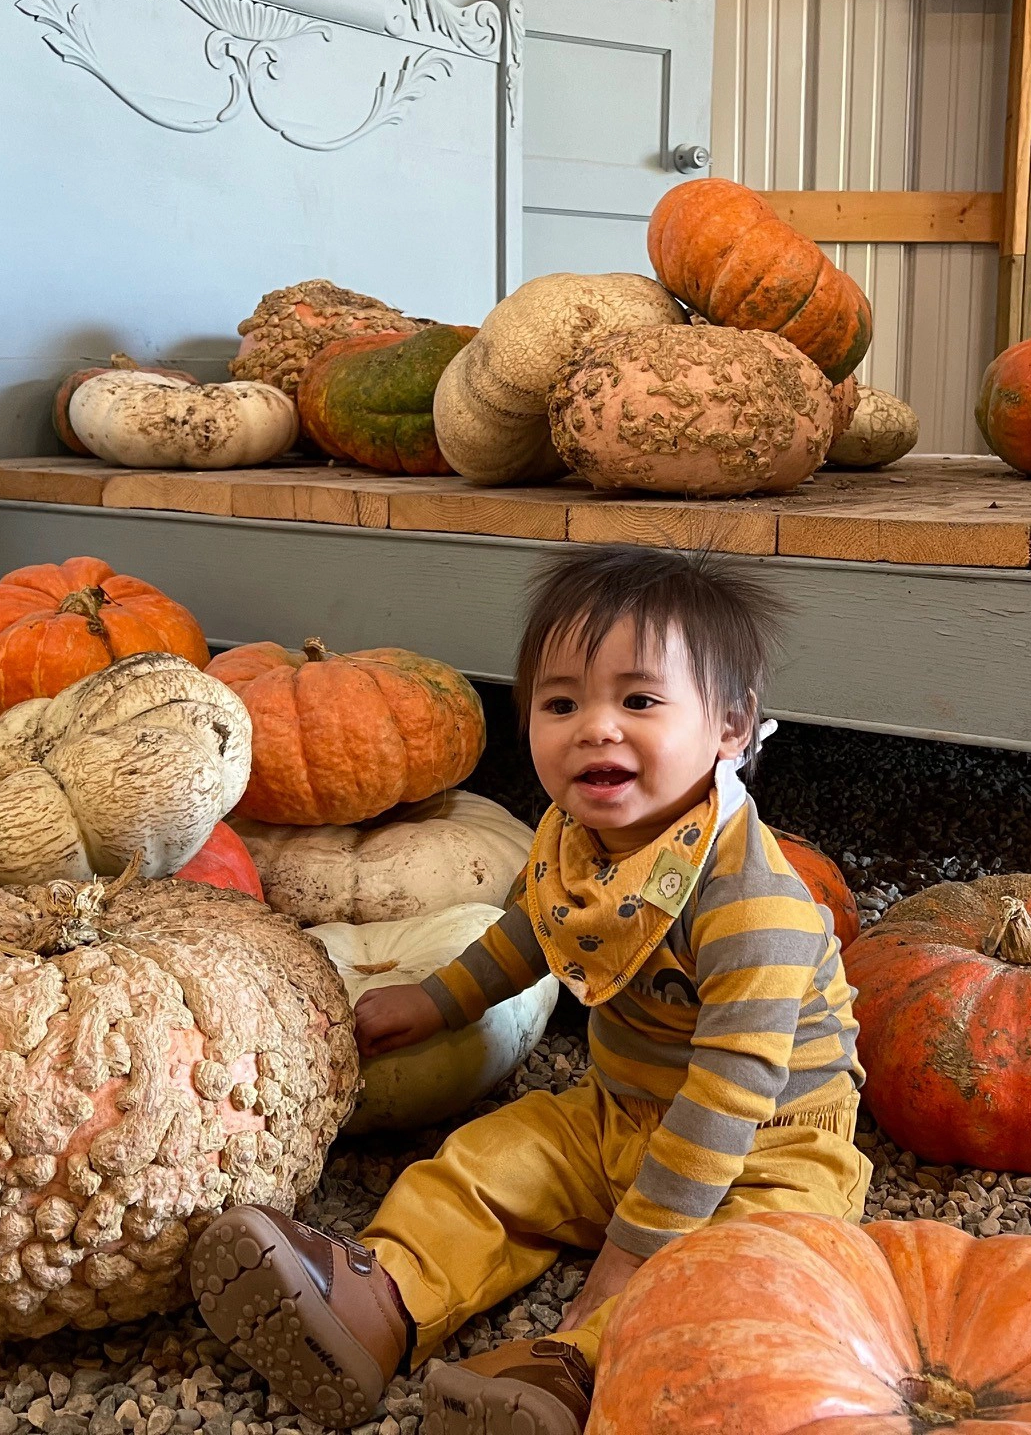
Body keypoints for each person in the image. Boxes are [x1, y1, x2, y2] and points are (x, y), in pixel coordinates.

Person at [188, 545, 870, 1435]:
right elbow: (530, 934)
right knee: (489, 1163)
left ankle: (579, 1369)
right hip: (620, 1112)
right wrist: (436, 1001)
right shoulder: (576, 840)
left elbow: (729, 1092)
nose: (595, 727)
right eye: (561, 703)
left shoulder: (753, 901)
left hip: (765, 1142)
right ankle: (379, 1297)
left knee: (732, 1269)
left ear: (731, 730)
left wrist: (633, 1245)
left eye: (638, 700)